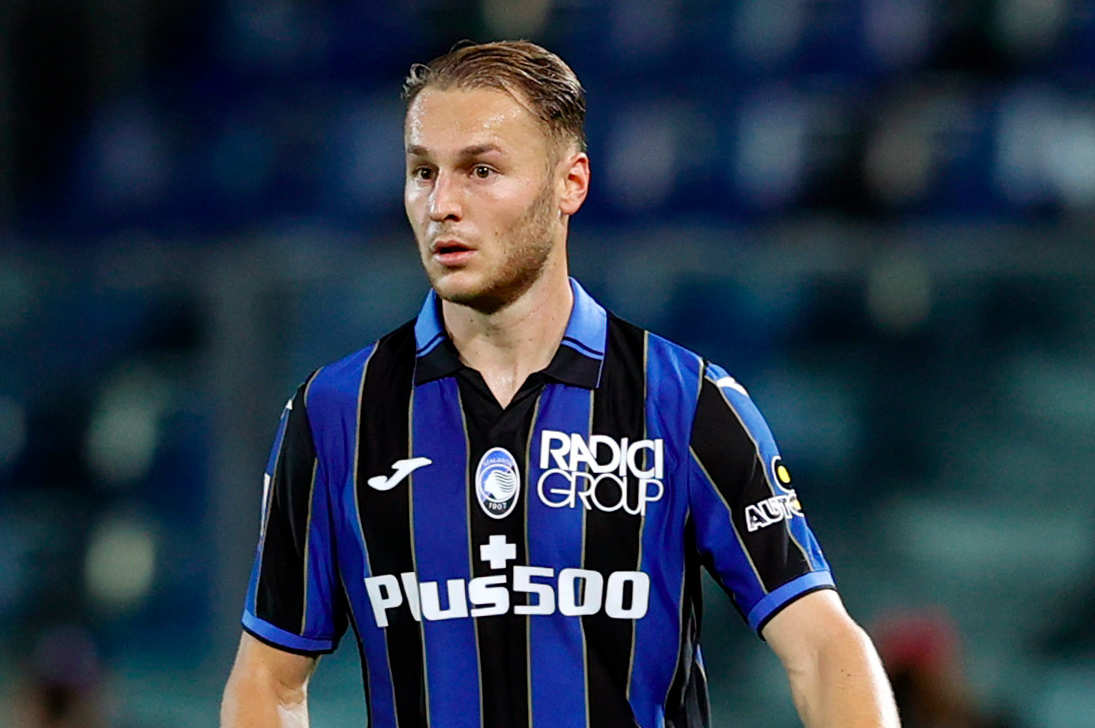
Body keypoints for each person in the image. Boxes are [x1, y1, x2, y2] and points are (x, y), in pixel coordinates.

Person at [221, 40, 900, 728]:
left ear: (570, 183)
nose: (442, 204)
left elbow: (823, 649)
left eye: (481, 170)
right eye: (423, 172)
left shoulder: (684, 401)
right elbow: (268, 679)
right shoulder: (336, 412)